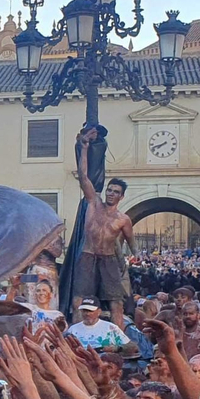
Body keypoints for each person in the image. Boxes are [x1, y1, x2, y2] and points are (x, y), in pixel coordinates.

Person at [75, 129, 137, 321]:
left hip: (109, 260)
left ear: (121, 196)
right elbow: (83, 176)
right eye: (109, 190)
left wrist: (130, 260)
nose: (110, 193)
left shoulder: (123, 219)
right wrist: (84, 149)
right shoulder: (94, 203)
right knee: (79, 300)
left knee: (116, 302)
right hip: (88, 255)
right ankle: (75, 336)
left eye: (115, 191)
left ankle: (118, 340)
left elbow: (132, 244)